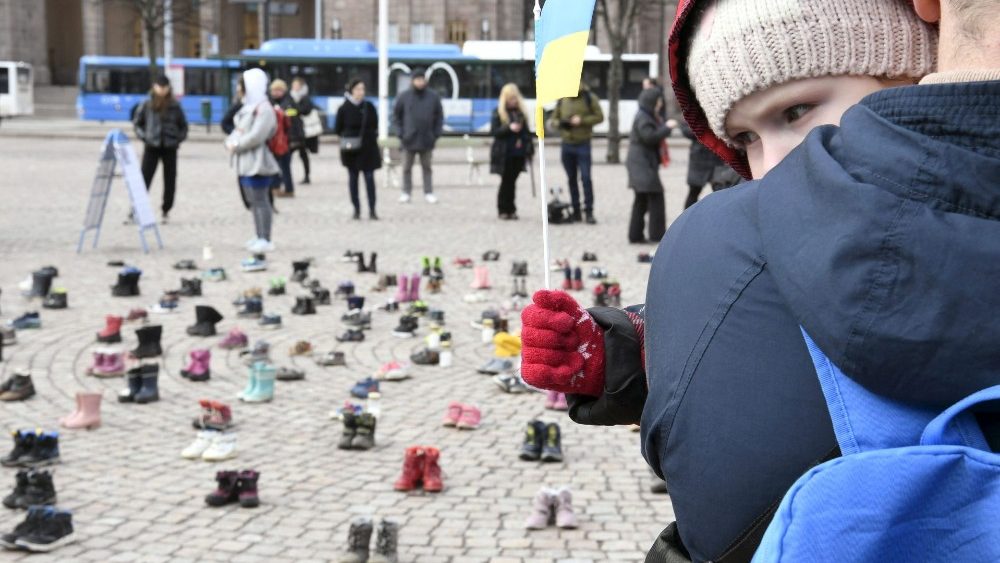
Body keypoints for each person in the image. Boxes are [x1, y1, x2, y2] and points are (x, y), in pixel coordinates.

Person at [520, 1, 949, 560]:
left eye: (796, 111)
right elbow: (761, 352)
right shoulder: (780, 229)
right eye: (745, 138)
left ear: (908, 75)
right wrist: (624, 352)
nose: (768, 166)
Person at [225, 68, 279, 253]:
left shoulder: (264, 109)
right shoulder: (249, 106)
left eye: (242, 86)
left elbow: (257, 135)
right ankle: (258, 234)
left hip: (258, 161)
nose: (239, 90)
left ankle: (266, 237)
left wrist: (237, 144)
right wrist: (231, 140)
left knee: (261, 199)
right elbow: (239, 129)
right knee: (252, 200)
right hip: (246, 162)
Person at [133, 74, 188, 223]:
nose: (162, 90)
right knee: (144, 179)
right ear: (154, 87)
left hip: (170, 147)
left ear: (169, 88)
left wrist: (177, 139)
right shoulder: (147, 103)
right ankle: (136, 209)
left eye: (164, 87)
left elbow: (183, 126)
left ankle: (166, 209)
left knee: (170, 180)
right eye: (159, 87)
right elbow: (137, 123)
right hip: (152, 146)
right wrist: (145, 137)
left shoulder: (175, 105)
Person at [547, 82, 604, 224]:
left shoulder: (589, 97)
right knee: (571, 179)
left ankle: (589, 211)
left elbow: (599, 117)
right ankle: (576, 211)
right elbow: (553, 120)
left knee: (585, 178)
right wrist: (561, 123)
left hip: (583, 143)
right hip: (567, 144)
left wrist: (582, 121)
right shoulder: (562, 99)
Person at [626, 87, 673, 243]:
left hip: (641, 163)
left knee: (641, 199)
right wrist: (667, 128)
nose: (660, 104)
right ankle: (657, 235)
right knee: (655, 197)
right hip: (641, 164)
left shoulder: (646, 115)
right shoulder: (644, 118)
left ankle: (635, 235)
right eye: (658, 101)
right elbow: (650, 137)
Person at [392, 68, 443, 204]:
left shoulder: (433, 96)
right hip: (408, 139)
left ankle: (428, 192)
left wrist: (435, 134)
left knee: (427, 168)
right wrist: (401, 133)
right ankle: (406, 192)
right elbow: (396, 117)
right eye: (417, 80)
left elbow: (439, 117)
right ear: (412, 81)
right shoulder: (404, 96)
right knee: (406, 168)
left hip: (427, 139)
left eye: (422, 79)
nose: (420, 82)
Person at [334, 77, 381, 220]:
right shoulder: (344, 108)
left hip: (368, 148)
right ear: (351, 91)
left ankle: (372, 209)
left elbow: (375, 125)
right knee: (353, 180)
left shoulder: (369, 106)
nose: (360, 92)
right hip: (351, 150)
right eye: (357, 89)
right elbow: (338, 128)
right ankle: (356, 209)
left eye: (362, 89)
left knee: (369, 179)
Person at [489, 83, 534, 220]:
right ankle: (503, 208)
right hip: (504, 153)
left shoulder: (521, 113)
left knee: (512, 181)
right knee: (506, 181)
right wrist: (509, 127)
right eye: (510, 99)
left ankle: (511, 208)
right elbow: (495, 132)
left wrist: (529, 146)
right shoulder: (499, 113)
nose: (513, 102)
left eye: (514, 99)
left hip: (518, 153)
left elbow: (526, 133)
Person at [679, 122, 739, 208]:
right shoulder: (694, 111)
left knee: (721, 191)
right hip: (699, 160)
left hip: (717, 158)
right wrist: (703, 130)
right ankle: (686, 218)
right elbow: (685, 130)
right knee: (694, 191)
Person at [269, 78, 298, 197]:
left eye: (278, 90)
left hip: (286, 139)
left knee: (284, 166)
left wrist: (283, 112)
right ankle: (277, 187)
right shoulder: (270, 102)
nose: (276, 92)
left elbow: (295, 114)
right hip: (276, 140)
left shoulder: (289, 101)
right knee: (277, 165)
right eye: (274, 90)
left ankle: (287, 189)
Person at [290, 77, 319, 184]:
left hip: (303, 131)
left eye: (296, 85)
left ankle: (307, 176)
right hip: (294, 131)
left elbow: (304, 110)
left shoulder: (305, 98)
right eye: (293, 85)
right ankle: (285, 175)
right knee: (289, 154)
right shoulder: (291, 97)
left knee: (303, 154)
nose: (294, 87)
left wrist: (293, 111)